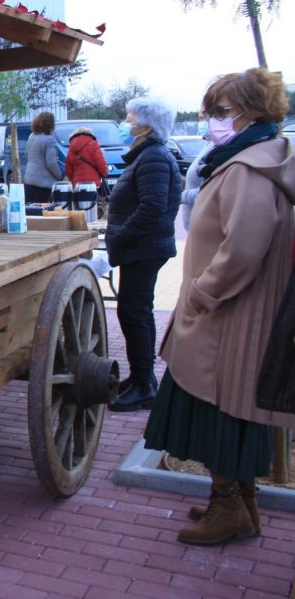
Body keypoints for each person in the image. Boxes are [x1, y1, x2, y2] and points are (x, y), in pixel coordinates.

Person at [144, 68, 295, 545]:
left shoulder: (249, 168)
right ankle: (242, 505)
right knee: (229, 408)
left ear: (252, 113)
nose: (212, 120)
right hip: (239, 314)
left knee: (218, 409)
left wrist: (202, 294)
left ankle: (227, 506)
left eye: (222, 112)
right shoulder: (256, 159)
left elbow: (243, 248)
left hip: (228, 316)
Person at [105, 97, 182, 412]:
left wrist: (120, 237)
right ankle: (142, 378)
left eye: (129, 117)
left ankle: (144, 384)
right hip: (140, 248)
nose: (126, 123)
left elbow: (151, 207)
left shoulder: (153, 157)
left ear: (146, 126)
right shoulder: (146, 155)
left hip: (143, 248)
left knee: (134, 313)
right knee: (135, 312)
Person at [23, 111, 63, 202]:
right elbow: (51, 163)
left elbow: (26, 154)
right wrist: (59, 176)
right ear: (50, 124)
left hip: (29, 180)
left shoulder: (31, 136)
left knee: (31, 212)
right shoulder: (49, 139)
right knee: (43, 213)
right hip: (44, 184)